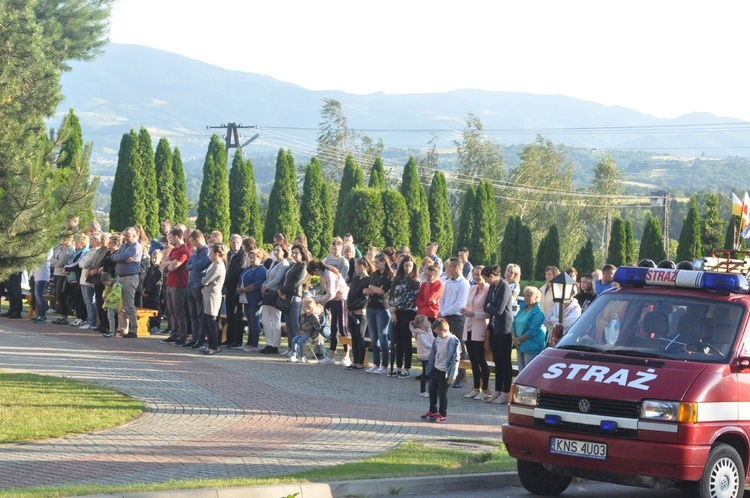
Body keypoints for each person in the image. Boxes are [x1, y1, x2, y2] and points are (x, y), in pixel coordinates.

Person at [483, 265, 514, 404]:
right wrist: (490, 306)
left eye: (486, 278)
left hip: (504, 330)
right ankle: (497, 391)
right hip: (494, 329)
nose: (486, 282)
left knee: (505, 362)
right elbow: (486, 306)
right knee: (497, 362)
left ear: (493, 276)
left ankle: (506, 392)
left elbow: (500, 309)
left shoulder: (504, 287)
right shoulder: (491, 288)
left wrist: (491, 306)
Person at [307, 260, 349, 364]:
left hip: (341, 300)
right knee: (333, 328)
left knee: (342, 328)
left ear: (316, 269)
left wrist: (319, 299)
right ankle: (331, 355)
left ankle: (346, 355)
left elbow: (331, 293)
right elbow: (326, 291)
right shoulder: (323, 275)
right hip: (334, 302)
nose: (314, 275)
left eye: (313, 273)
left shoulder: (329, 275)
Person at [460, 266, 492, 400]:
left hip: (480, 326)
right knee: (472, 359)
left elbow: (489, 312)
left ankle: (484, 390)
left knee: (480, 359)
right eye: (474, 274)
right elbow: (469, 305)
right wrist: (465, 310)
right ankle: (475, 387)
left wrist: (474, 313)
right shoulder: (472, 288)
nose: (476, 277)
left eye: (479, 274)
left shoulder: (488, 289)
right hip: (469, 326)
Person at [420, 318, 460, 423]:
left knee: (441, 393)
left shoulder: (453, 341)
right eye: (435, 333)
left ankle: (443, 414)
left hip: (445, 372)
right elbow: (433, 353)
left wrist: (453, 374)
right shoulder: (437, 339)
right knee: (432, 390)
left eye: (438, 333)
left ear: (445, 330)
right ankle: (432, 410)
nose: (437, 335)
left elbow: (455, 359)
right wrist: (430, 367)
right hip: (436, 369)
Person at [439, 257, 470, 388]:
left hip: (457, 318)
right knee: (445, 345)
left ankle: (460, 376)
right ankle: (447, 374)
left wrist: (444, 312)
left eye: (450, 267)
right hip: (446, 316)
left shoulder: (464, 283)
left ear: (457, 267)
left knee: (459, 347)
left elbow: (460, 304)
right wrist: (441, 312)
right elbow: (443, 299)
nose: (448, 269)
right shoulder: (448, 282)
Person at [388, 255, 421, 378]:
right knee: (397, 341)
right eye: (406, 265)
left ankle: (406, 368)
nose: (407, 268)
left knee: (406, 340)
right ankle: (398, 366)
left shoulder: (415, 281)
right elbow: (391, 295)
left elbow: (411, 299)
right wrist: (392, 309)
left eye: (410, 266)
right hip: (396, 313)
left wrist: (397, 308)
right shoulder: (397, 279)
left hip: (408, 312)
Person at [364, 252, 393, 374]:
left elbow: (382, 290)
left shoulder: (389, 275)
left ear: (383, 262)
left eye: (377, 262)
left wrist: (373, 288)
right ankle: (376, 363)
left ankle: (385, 365)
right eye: (374, 262)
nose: (375, 265)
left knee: (383, 337)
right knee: (373, 337)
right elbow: (366, 290)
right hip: (371, 306)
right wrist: (373, 288)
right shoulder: (374, 274)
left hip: (382, 308)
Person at [278, 244, 309, 356]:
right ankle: (290, 347)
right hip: (285, 297)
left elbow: (297, 283)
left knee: (294, 323)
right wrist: (281, 291)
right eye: (293, 252)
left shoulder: (303, 266)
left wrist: (283, 290)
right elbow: (284, 279)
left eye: (296, 253)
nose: (294, 255)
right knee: (288, 324)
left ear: (302, 254)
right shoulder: (291, 265)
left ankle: (296, 349)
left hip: (295, 297)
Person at [110, 228, 141, 338]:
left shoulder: (135, 246)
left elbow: (121, 256)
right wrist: (121, 257)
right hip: (121, 278)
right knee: (121, 306)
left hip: (130, 278)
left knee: (129, 305)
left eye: (128, 235)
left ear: (135, 235)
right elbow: (113, 256)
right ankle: (123, 328)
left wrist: (121, 257)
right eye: (125, 235)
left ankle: (133, 329)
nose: (126, 238)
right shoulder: (124, 246)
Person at [161, 228, 190, 345]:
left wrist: (170, 263)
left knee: (179, 310)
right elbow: (163, 263)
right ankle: (174, 333)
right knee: (171, 310)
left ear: (177, 237)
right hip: (170, 283)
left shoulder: (183, 251)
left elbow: (173, 267)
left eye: (171, 237)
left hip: (179, 284)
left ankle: (182, 335)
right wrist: (170, 262)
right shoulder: (174, 250)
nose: (170, 239)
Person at [260, 243, 290, 354]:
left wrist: (266, 286)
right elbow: (268, 277)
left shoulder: (284, 263)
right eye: (275, 250)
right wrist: (264, 285)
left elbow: (277, 279)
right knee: (265, 320)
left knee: (275, 320)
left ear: (284, 251)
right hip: (268, 294)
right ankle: (269, 343)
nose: (276, 252)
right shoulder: (273, 262)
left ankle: (275, 345)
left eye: (279, 250)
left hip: (275, 294)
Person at [237, 248, 267, 352]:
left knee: (254, 321)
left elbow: (257, 283)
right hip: (246, 299)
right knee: (249, 321)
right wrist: (238, 288)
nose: (252, 259)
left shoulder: (261, 269)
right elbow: (241, 278)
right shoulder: (248, 268)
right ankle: (249, 342)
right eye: (251, 257)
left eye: (255, 258)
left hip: (254, 298)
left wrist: (244, 289)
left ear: (260, 258)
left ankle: (254, 344)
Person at [184, 230, 210, 349]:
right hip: (190, 284)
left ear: (197, 240)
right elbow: (187, 266)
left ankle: (200, 339)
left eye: (192, 242)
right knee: (192, 313)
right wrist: (194, 262)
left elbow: (199, 267)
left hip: (199, 285)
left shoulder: (206, 252)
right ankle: (194, 337)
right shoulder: (195, 252)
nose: (191, 245)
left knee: (200, 313)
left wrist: (194, 257)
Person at [512, 286, 546, 372]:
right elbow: (514, 323)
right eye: (525, 295)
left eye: (529, 295)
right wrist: (513, 337)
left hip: (531, 346)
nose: (526, 298)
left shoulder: (538, 313)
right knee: (521, 372)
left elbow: (533, 331)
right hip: (519, 345)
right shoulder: (522, 309)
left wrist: (518, 340)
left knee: (529, 372)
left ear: (536, 297)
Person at [346, 258, 371, 370]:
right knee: (354, 337)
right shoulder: (355, 279)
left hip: (360, 312)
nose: (355, 268)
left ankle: (361, 361)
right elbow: (350, 294)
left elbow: (364, 298)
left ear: (363, 266)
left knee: (360, 336)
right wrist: (348, 306)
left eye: (357, 266)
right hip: (351, 311)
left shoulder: (368, 280)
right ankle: (355, 360)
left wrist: (354, 307)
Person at [201, 243, 227, 355]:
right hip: (207, 295)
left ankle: (214, 346)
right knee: (207, 321)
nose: (209, 256)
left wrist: (202, 280)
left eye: (211, 253)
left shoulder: (218, 266)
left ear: (217, 254)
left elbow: (205, 280)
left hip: (213, 296)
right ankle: (210, 344)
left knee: (212, 321)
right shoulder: (213, 264)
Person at [224, 234, 248, 348]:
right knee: (229, 314)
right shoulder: (229, 254)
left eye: (237, 242)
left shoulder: (243, 255)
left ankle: (237, 340)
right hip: (228, 288)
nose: (235, 244)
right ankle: (229, 338)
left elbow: (238, 270)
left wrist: (226, 277)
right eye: (233, 242)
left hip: (237, 287)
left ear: (241, 243)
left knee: (237, 314)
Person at [289, 297, 323, 363]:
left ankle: (302, 356)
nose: (303, 308)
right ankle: (293, 355)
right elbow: (301, 326)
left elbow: (318, 329)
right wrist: (298, 333)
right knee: (294, 339)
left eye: (305, 307)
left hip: (310, 334)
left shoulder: (313, 317)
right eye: (303, 307)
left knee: (300, 341)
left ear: (310, 307)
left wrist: (313, 338)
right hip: (302, 333)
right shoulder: (303, 315)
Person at [50, 236, 74, 325]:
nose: (64, 240)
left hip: (62, 274)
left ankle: (64, 315)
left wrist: (55, 263)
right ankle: (61, 315)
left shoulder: (70, 249)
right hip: (56, 273)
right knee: (57, 294)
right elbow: (51, 258)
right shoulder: (59, 248)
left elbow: (62, 262)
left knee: (61, 294)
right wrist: (56, 262)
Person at [410, 315, 434, 397]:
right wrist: (435, 347)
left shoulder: (428, 330)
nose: (428, 322)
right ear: (420, 324)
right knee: (425, 373)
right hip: (425, 355)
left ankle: (431, 390)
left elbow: (432, 338)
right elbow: (426, 344)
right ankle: (423, 391)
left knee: (431, 372)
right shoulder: (420, 334)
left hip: (430, 354)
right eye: (426, 321)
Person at [142, 250, 164, 333]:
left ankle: (156, 325)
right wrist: (144, 288)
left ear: (160, 259)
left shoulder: (159, 270)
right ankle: (151, 324)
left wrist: (148, 290)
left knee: (155, 308)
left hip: (155, 293)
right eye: (153, 258)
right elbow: (147, 280)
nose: (154, 260)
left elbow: (155, 282)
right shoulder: (150, 268)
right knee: (149, 308)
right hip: (148, 293)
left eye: (156, 258)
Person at [32, 248, 54, 323]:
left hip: (43, 274)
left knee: (39, 295)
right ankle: (39, 313)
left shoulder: (49, 248)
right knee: (37, 295)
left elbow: (45, 258)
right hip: (37, 274)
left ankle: (42, 315)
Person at [101, 272, 122, 338]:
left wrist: (110, 299)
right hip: (110, 304)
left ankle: (114, 331)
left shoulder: (117, 285)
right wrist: (104, 295)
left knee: (113, 317)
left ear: (110, 280)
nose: (106, 285)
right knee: (110, 317)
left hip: (115, 304)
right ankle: (112, 330)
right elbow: (105, 291)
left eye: (106, 284)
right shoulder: (108, 285)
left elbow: (118, 296)